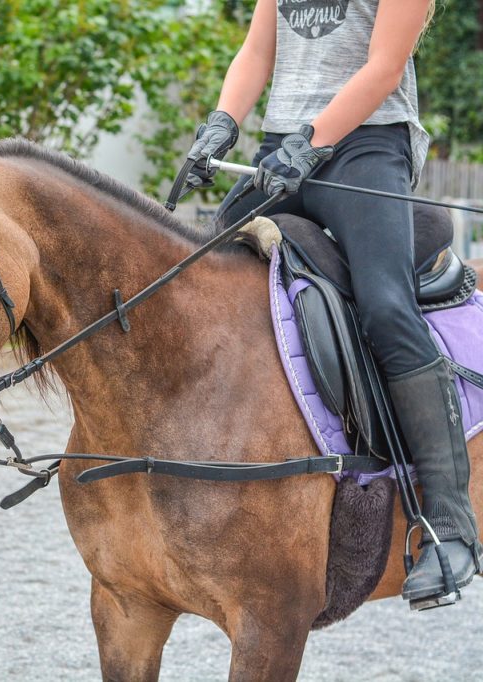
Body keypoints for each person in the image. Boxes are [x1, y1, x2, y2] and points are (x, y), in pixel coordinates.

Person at [187, 0, 480, 609]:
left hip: (366, 149)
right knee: (200, 283)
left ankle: (451, 529)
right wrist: (221, 121)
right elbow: (257, 52)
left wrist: (313, 142)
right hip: (280, 151)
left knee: (385, 308)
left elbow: (384, 67)